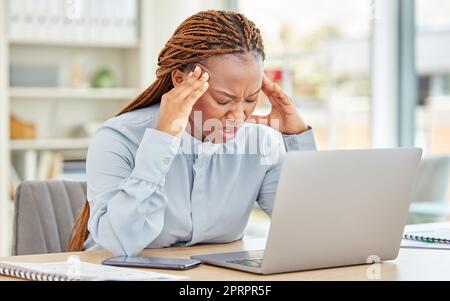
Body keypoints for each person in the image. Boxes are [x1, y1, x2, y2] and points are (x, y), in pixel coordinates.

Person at [68, 10, 316, 256]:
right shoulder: (119, 138)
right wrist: (162, 141)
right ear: (180, 80)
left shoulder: (260, 144)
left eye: (251, 98)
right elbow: (121, 243)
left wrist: (297, 138)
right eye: (223, 100)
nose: (239, 116)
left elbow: (307, 228)